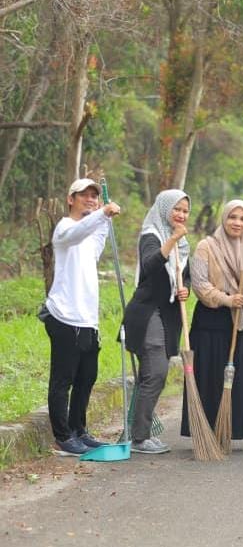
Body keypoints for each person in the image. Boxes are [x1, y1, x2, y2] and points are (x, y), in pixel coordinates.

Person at [182, 200, 243, 454]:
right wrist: (227, 299)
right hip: (211, 321)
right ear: (224, 219)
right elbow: (200, 284)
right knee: (211, 376)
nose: (238, 223)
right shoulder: (206, 246)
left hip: (241, 320)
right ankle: (212, 430)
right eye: (232, 217)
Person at [41, 178, 122, 456]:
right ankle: (62, 437)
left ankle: (79, 430)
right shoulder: (64, 228)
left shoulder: (90, 234)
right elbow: (78, 232)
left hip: (88, 319)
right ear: (70, 199)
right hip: (64, 317)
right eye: (83, 195)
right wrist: (102, 213)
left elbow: (96, 236)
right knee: (63, 380)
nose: (90, 199)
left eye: (94, 196)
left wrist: (105, 219)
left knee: (87, 377)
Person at [122, 190, 192, 454]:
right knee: (157, 372)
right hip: (146, 313)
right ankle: (140, 438)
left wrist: (185, 289)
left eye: (185, 211)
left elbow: (185, 276)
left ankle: (139, 432)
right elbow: (149, 264)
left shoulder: (183, 245)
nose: (181, 215)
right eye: (177, 209)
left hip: (166, 316)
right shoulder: (151, 235)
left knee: (151, 375)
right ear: (164, 208)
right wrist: (172, 239)